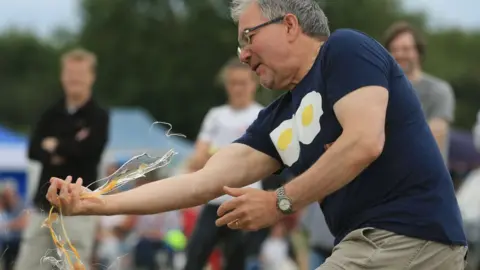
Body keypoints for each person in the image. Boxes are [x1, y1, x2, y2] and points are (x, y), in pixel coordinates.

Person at [46, 1, 468, 269]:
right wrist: (97, 204)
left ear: (289, 25)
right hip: (374, 244)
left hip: (406, 235)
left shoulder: (345, 50)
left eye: (248, 37)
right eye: (239, 47)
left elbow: (364, 142)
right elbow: (199, 183)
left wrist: (280, 201)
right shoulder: (277, 118)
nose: (243, 54)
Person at [16, 48, 109, 270]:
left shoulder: (98, 116)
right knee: (28, 264)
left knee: (72, 264)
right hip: (44, 207)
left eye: (80, 73)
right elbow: (33, 150)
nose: (74, 79)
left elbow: (89, 150)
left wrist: (55, 146)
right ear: (62, 75)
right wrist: (68, 148)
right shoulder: (50, 112)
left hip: (78, 206)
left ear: (91, 77)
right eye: (70, 73)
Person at [184, 57, 264, 270]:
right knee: (194, 257)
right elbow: (197, 158)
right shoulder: (216, 116)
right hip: (214, 201)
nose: (238, 89)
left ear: (253, 84)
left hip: (243, 200)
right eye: (233, 83)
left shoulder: (261, 115)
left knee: (236, 262)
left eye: (243, 83)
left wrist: (216, 155)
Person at [383, 22, 455, 164]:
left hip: (427, 180)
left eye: (406, 49)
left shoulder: (438, 90)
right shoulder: (381, 90)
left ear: (418, 52)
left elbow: (433, 140)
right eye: (394, 49)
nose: (399, 54)